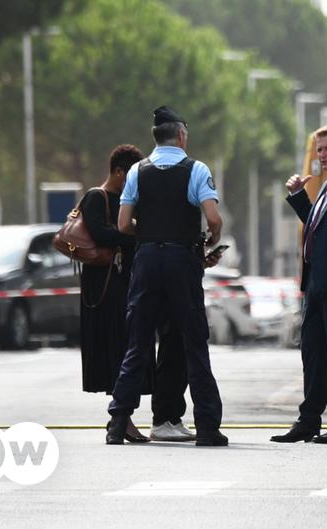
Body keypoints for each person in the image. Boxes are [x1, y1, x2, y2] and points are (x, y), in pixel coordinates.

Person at [106, 105, 227, 447]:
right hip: (181, 259)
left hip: (146, 260)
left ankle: (118, 422)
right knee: (193, 342)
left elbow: (122, 224)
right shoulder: (196, 169)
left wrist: (150, 233)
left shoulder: (137, 172)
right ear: (182, 136)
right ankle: (206, 426)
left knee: (139, 342)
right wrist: (208, 240)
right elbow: (214, 219)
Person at [273, 123, 327, 445]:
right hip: (315, 284)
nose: (321, 155)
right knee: (311, 353)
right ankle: (308, 420)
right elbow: (317, 227)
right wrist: (299, 197)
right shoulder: (325, 186)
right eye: (319, 149)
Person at [79, 144, 150, 443]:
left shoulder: (128, 201)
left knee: (124, 349)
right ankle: (121, 418)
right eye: (130, 175)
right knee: (116, 350)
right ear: (119, 172)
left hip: (125, 283)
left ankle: (122, 417)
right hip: (105, 288)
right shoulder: (97, 198)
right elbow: (100, 234)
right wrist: (130, 231)